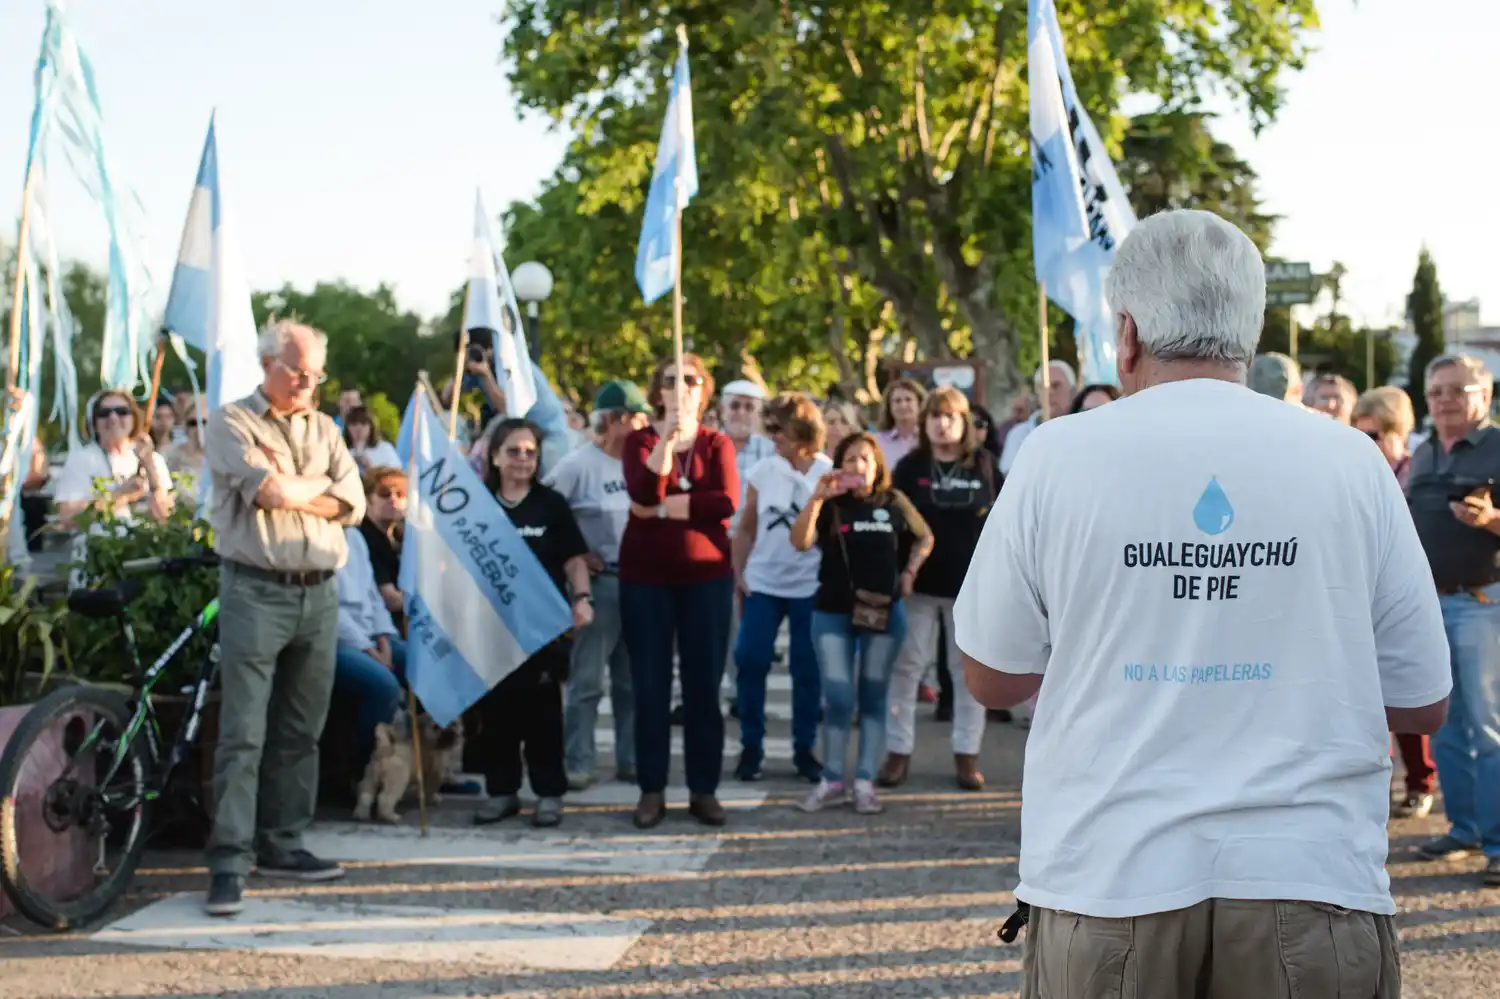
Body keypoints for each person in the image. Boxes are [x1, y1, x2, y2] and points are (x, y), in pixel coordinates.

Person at [957, 210, 1449, 992]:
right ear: (1249, 334)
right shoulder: (1352, 462)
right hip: (1310, 878)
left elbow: (993, 676)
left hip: (1108, 876)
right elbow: (1423, 700)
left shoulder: (1057, 454)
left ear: (1126, 333)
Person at [201, 320, 366, 917]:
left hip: (319, 593)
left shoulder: (326, 426)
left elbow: (356, 504)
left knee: (301, 729)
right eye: (298, 369)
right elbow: (269, 493)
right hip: (255, 591)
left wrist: (302, 488)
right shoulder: (231, 421)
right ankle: (228, 860)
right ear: (267, 362)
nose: (308, 380)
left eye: (316, 372)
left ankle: (284, 841)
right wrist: (317, 487)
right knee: (243, 731)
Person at [619, 353, 739, 829]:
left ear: (703, 389)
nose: (682, 387)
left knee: (702, 688)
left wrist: (669, 509)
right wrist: (665, 445)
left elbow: (726, 500)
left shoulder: (718, 443)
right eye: (671, 380)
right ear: (658, 391)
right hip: (646, 580)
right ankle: (651, 789)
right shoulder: (640, 440)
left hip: (706, 580)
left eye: (690, 379)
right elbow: (643, 494)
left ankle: (703, 789)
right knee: (649, 686)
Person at [790, 432, 933, 815]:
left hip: (885, 612)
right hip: (833, 611)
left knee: (873, 697)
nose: (857, 466)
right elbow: (800, 542)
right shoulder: (831, 505)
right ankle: (832, 779)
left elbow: (924, 537)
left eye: (865, 459)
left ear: (877, 466)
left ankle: (865, 781)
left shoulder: (894, 501)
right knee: (837, 697)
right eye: (850, 459)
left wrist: (910, 573)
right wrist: (816, 499)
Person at [1406, 353, 1500, 886]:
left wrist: (1490, 521)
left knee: (1487, 728)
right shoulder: (1422, 454)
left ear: (1483, 396)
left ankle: (1497, 841)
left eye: (1456, 390)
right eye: (1435, 390)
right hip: (1428, 604)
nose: (1443, 400)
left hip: (1483, 603)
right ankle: (1462, 829)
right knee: (1444, 723)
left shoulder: (1499, 446)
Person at [472, 419, 593, 828]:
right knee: (498, 716)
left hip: (543, 630)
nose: (522, 459)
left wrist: (582, 599)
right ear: (494, 456)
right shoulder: (477, 504)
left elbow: (574, 559)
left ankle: (548, 794)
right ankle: (501, 792)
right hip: (492, 629)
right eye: (513, 451)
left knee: (543, 715)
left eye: (530, 452)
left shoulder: (551, 504)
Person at [885, 387, 997, 791]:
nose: (941, 423)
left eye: (950, 416)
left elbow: (1002, 523)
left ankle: (967, 754)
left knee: (964, 672)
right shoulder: (909, 466)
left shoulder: (984, 465)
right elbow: (895, 525)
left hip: (970, 587)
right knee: (906, 668)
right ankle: (898, 751)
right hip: (918, 586)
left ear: (964, 422)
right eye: (934, 416)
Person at [546, 380, 652, 789]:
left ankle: (631, 759)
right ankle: (579, 760)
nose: (642, 424)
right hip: (600, 580)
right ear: (611, 420)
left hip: (642, 581)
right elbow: (549, 511)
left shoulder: (645, 461)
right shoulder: (578, 464)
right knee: (587, 679)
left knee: (633, 680)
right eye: (633, 417)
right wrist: (573, 553)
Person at [731, 392, 831, 784]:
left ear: (802, 429)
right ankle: (750, 746)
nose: (773, 436)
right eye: (769, 427)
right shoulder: (763, 471)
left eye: (780, 428)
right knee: (750, 658)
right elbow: (748, 525)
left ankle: (803, 748)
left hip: (811, 582)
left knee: (807, 668)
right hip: (764, 581)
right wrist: (738, 571)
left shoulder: (827, 470)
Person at [1353, 386, 1434, 819]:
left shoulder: (1414, 470)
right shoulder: (1358, 471)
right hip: (1364, 596)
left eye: (1375, 435)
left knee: (1411, 695)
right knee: (1371, 702)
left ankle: (1420, 781)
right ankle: (1378, 786)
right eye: (1361, 433)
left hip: (1406, 593)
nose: (1369, 443)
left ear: (1397, 431)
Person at [333, 472, 407, 770]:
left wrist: (385, 639)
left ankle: (429, 765)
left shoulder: (355, 537)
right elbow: (331, 609)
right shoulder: (312, 541)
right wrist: (368, 649)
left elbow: (374, 599)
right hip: (340, 639)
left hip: (371, 634)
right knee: (384, 687)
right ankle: (363, 771)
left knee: (428, 662)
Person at [718, 379, 776, 710]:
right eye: (735, 405)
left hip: (759, 548)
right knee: (718, 625)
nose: (741, 413)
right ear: (723, 409)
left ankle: (745, 694)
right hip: (714, 546)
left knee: (750, 630)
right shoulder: (709, 445)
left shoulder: (771, 451)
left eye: (748, 406)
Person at [55, 390, 174, 530]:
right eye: (104, 413)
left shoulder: (153, 459)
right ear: (94, 422)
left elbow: (165, 516)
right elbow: (68, 516)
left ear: (134, 418)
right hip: (96, 544)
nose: (113, 418)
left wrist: (150, 468)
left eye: (122, 411)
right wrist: (121, 495)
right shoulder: (81, 460)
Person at [999, 361, 1075, 475]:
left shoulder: (1083, 431)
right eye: (1043, 387)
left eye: (1056, 385)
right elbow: (1011, 480)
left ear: (1072, 390)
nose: (1050, 392)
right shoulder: (1019, 435)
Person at [359, 466, 407, 631]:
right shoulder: (364, 537)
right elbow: (391, 600)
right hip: (376, 629)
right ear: (367, 499)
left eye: (400, 494)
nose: (393, 499)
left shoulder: (403, 536)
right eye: (385, 493)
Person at [874, 378, 925, 468]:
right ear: (889, 407)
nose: (903, 405)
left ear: (919, 404)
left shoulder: (929, 439)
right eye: (897, 401)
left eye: (908, 400)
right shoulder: (877, 442)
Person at [342, 405, 401, 473]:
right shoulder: (342, 452)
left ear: (371, 427)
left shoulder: (384, 448)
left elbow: (396, 473)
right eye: (354, 424)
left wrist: (370, 468)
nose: (358, 429)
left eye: (363, 424)